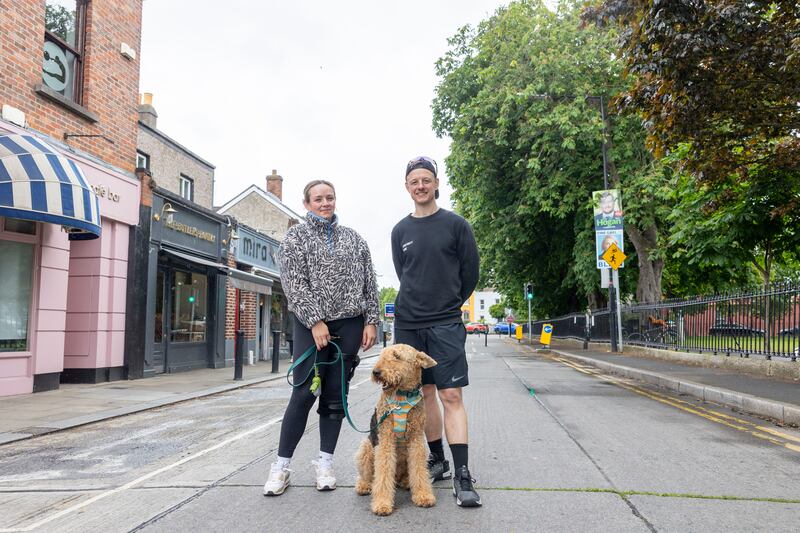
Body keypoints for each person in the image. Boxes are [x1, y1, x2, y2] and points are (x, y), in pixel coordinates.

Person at [263, 179, 379, 496]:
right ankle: (281, 468)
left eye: (330, 197)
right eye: (318, 199)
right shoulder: (294, 239)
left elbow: (370, 283)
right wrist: (315, 320)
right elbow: (294, 285)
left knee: (334, 396)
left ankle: (325, 463)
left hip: (351, 324)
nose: (325, 203)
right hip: (310, 327)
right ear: (307, 204)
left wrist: (372, 321)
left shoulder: (354, 239)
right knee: (303, 395)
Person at [391, 156, 482, 508]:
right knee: (423, 395)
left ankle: (462, 475)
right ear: (407, 186)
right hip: (408, 324)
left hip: (445, 323)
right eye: (414, 181)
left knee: (451, 396)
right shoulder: (400, 231)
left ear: (436, 183)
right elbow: (404, 275)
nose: (421, 186)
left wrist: (447, 303)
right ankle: (438, 459)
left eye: (426, 180)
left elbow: (470, 273)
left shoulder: (456, 225)